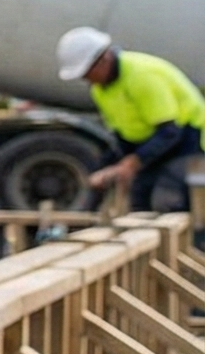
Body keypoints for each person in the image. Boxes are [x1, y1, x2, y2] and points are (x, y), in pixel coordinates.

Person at [59, 27, 205, 214]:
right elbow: (123, 134)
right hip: (157, 143)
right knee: (140, 200)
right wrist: (109, 167)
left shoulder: (141, 75)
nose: (86, 79)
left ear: (103, 59)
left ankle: (193, 242)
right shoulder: (101, 90)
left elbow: (170, 131)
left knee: (171, 199)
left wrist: (131, 164)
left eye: (86, 72)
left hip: (191, 140)